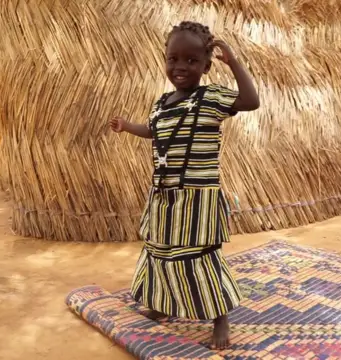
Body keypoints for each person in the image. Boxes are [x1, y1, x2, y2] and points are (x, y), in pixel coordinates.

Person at [109, 21, 260, 349]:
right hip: (163, 193)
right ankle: (162, 302)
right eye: (173, 59)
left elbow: (251, 101)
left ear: (206, 66)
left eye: (191, 61)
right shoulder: (161, 105)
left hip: (197, 197)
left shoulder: (212, 98)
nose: (180, 67)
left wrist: (233, 61)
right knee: (159, 250)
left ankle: (220, 316)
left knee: (200, 255)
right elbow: (153, 132)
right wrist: (127, 126)